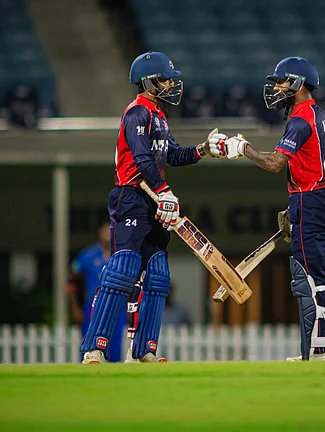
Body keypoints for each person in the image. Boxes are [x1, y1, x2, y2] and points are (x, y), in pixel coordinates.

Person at [79, 51, 227, 363]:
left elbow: (172, 155)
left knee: (157, 275)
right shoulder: (136, 113)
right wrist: (164, 191)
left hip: (154, 199)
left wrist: (204, 149)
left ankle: (144, 349)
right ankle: (95, 348)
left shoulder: (159, 116)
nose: (172, 83)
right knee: (123, 271)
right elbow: (142, 158)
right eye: (165, 78)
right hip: (131, 196)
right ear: (147, 81)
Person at [216, 57, 325, 361]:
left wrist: (243, 148)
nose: (277, 88)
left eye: (281, 82)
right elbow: (308, 163)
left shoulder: (299, 119)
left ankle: (320, 349)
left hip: (312, 200)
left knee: (310, 277)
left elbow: (274, 163)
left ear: (297, 83)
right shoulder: (321, 115)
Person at [68, 222, 127, 362]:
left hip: (117, 306)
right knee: (89, 341)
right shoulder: (88, 255)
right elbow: (71, 280)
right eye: (105, 232)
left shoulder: (122, 255)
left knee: (115, 343)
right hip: (93, 305)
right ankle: (87, 369)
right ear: (99, 234)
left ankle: (114, 374)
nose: (108, 235)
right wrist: (75, 307)